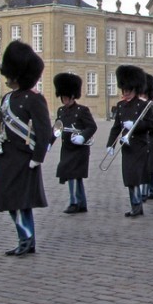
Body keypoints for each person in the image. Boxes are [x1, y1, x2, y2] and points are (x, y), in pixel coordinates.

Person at [0, 40, 52, 256]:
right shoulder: (6, 99)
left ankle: (27, 241)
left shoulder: (34, 99)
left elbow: (44, 131)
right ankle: (24, 238)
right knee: (11, 202)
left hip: (24, 159)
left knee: (22, 203)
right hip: (5, 158)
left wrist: (38, 157)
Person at [105, 65, 153, 218]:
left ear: (135, 89)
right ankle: (135, 204)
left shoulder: (144, 105)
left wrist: (135, 125)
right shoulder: (121, 106)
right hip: (126, 147)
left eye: (128, 90)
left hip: (139, 146)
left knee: (135, 177)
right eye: (124, 90)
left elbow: (150, 124)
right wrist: (110, 144)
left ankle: (137, 205)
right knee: (128, 178)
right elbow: (116, 127)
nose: (125, 93)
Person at [52, 73, 97, 214]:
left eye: (66, 96)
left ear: (72, 96)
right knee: (71, 175)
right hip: (66, 148)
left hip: (79, 149)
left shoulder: (82, 110)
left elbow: (92, 126)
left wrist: (82, 137)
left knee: (74, 175)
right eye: (62, 96)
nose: (64, 99)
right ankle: (80, 203)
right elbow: (57, 128)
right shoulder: (61, 111)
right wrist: (48, 142)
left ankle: (74, 202)